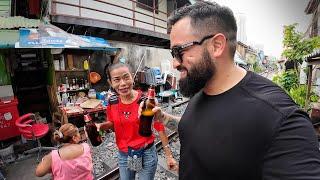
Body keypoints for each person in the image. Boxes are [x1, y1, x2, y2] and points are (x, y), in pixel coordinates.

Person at [145, 1, 320, 179]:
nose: (174, 63)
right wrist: (166, 119)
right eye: (172, 54)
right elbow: (201, 126)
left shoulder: (282, 120)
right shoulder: (202, 86)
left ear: (217, 45)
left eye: (179, 51)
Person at [96, 63, 178, 180]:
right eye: (117, 80)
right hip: (124, 154)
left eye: (126, 77)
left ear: (132, 77)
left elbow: (160, 128)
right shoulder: (112, 101)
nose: (123, 83)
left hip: (146, 154)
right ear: (110, 82)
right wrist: (101, 126)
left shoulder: (145, 102)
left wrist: (169, 156)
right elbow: (113, 124)